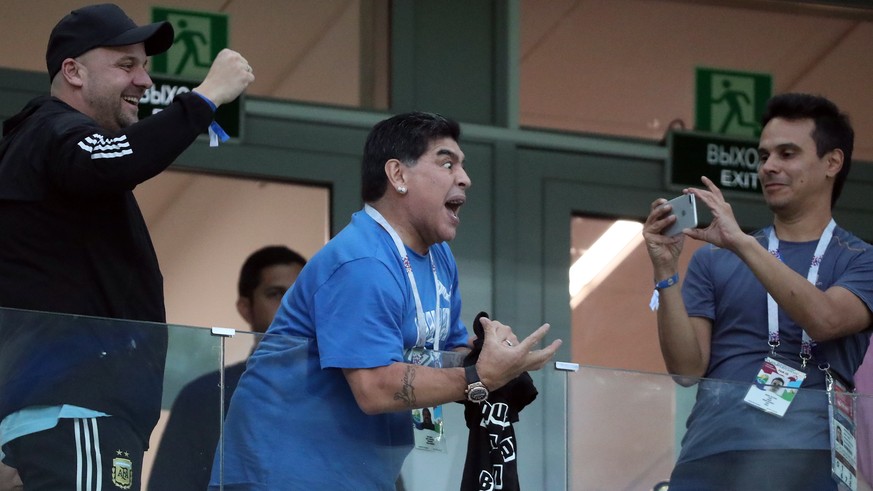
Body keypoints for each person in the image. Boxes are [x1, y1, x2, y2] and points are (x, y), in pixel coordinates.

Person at [209, 112, 561, 490]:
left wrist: (491, 354)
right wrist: (479, 377)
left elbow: (443, 351)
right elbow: (374, 387)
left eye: (462, 165)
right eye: (447, 163)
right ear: (398, 175)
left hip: (357, 474)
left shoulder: (439, 258)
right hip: (279, 475)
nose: (464, 178)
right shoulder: (362, 262)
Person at [0, 3, 253, 490]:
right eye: (125, 64)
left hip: (64, 412)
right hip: (77, 410)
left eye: (144, 65)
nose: (144, 80)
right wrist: (204, 98)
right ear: (72, 71)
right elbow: (115, 160)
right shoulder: (56, 131)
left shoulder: (41, 145)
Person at [644, 93, 873, 490]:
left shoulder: (860, 258)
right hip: (709, 452)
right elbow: (686, 370)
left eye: (787, 154)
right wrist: (665, 271)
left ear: (832, 163)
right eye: (764, 156)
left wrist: (743, 244)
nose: (769, 167)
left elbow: (825, 319)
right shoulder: (713, 261)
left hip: (807, 456)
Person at [147, 246, 306, 490]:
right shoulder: (205, 396)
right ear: (245, 308)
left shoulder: (340, 390)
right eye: (275, 294)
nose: (290, 305)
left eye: (300, 294)